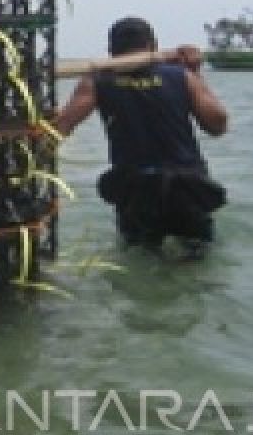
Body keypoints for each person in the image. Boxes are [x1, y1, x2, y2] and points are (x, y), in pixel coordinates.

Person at [54, 17, 229, 258]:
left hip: (137, 189)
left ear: (112, 51)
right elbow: (218, 125)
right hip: (188, 187)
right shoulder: (182, 77)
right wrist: (196, 75)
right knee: (197, 257)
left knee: (141, 256)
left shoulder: (97, 82)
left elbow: (59, 130)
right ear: (153, 46)